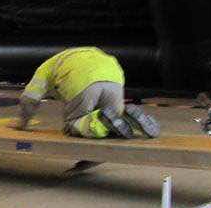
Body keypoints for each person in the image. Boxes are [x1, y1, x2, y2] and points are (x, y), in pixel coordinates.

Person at [11, 46, 160, 139]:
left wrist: (22, 124)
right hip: (114, 76)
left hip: (82, 80)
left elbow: (29, 99)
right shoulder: (84, 53)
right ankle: (129, 117)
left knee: (74, 124)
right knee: (116, 124)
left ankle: (101, 120)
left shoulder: (45, 68)